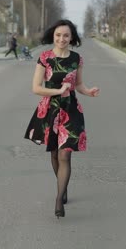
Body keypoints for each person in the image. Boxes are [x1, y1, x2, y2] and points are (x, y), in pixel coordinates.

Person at [23, 20, 100, 219]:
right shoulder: (45, 58)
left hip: (71, 110)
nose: (62, 39)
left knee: (65, 155)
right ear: (53, 36)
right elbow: (36, 88)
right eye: (58, 35)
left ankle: (59, 198)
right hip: (50, 109)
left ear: (72, 37)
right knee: (55, 155)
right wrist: (57, 91)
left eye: (66, 35)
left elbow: (79, 84)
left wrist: (88, 91)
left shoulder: (77, 59)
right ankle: (62, 186)